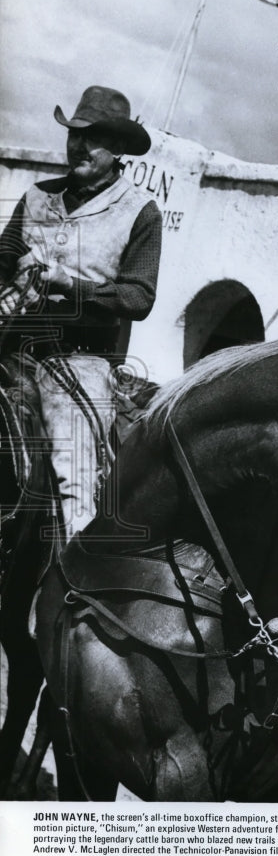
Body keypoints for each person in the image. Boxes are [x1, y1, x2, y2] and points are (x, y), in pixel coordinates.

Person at [0, 85, 162, 541]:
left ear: (120, 149)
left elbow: (139, 297)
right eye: (74, 134)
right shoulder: (36, 197)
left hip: (78, 360)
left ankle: (72, 587)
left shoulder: (139, 212)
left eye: (93, 138)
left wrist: (67, 283)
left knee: (75, 477)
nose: (79, 146)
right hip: (11, 344)